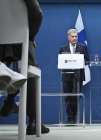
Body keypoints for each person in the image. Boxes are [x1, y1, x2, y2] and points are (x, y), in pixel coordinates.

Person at [0, 0, 50, 135]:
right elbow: (37, 13)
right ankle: (33, 121)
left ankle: (11, 97)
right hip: (20, 39)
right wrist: (29, 35)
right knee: (30, 69)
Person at [59, 28, 89, 124]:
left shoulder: (82, 47)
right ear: (68, 37)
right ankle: (69, 118)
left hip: (78, 76)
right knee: (67, 97)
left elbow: (87, 60)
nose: (75, 38)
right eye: (73, 36)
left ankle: (74, 117)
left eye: (76, 36)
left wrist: (80, 60)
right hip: (66, 76)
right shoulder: (63, 48)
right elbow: (60, 62)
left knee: (75, 97)